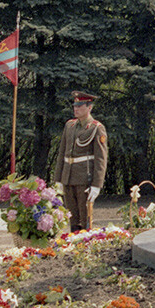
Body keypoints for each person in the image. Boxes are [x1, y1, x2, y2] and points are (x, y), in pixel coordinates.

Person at [54, 90, 107, 234]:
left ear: (89, 107)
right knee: (72, 217)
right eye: (75, 106)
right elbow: (62, 154)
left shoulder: (96, 128)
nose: (75, 109)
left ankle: (85, 246)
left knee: (85, 218)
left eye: (80, 106)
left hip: (85, 179)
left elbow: (101, 159)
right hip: (68, 178)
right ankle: (73, 245)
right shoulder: (69, 126)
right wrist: (58, 179)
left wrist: (96, 185)